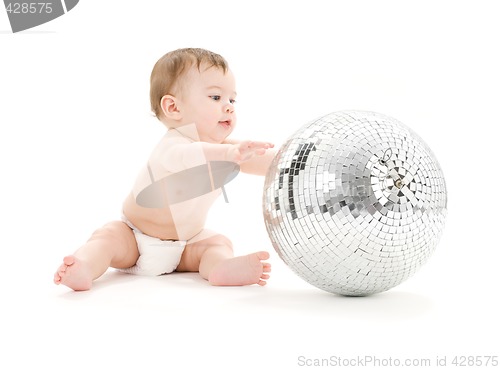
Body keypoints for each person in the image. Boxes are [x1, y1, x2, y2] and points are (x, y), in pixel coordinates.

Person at [54, 48, 275, 291]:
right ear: (173, 108)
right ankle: (84, 266)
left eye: (232, 100)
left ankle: (220, 267)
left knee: (218, 243)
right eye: (215, 98)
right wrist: (229, 154)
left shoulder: (226, 149)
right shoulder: (173, 144)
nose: (229, 107)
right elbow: (187, 157)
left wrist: (297, 158)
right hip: (135, 238)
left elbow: (268, 161)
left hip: (186, 244)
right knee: (107, 237)